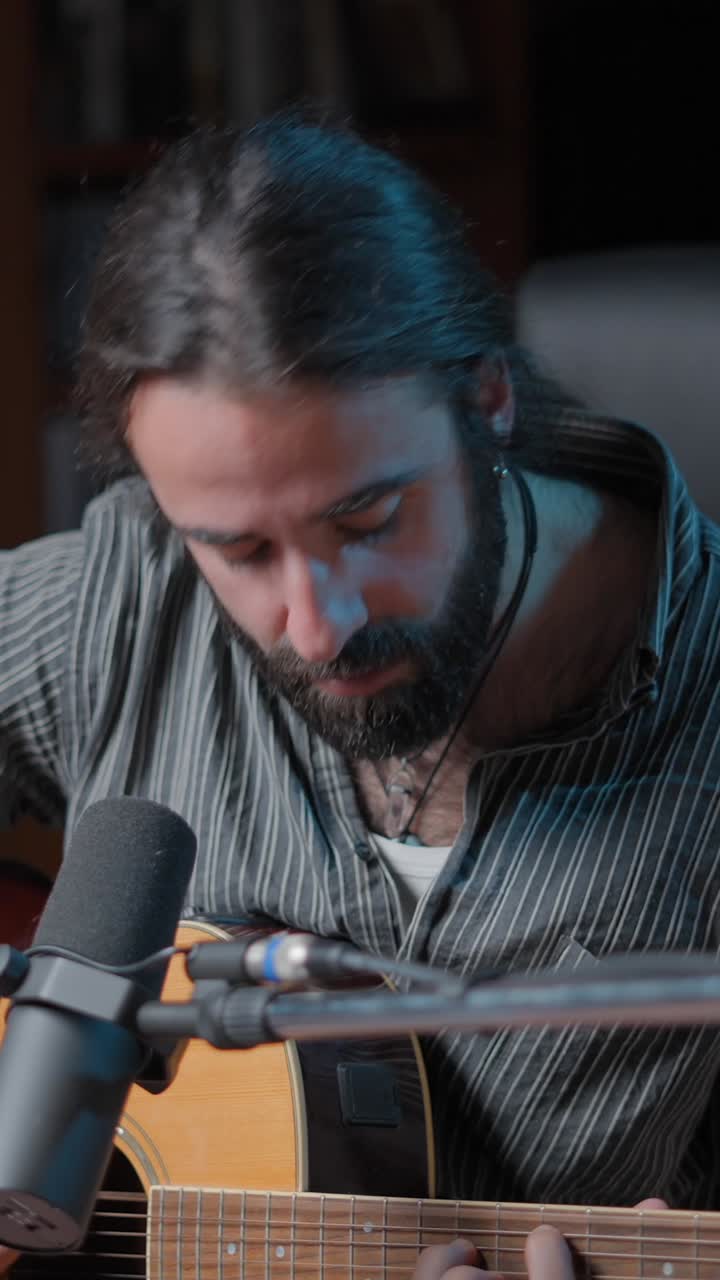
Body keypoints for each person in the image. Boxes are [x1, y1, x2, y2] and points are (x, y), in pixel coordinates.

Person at [2, 108, 720, 1270]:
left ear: (486, 399)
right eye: (237, 551)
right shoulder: (118, 599)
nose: (318, 622)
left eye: (368, 518)